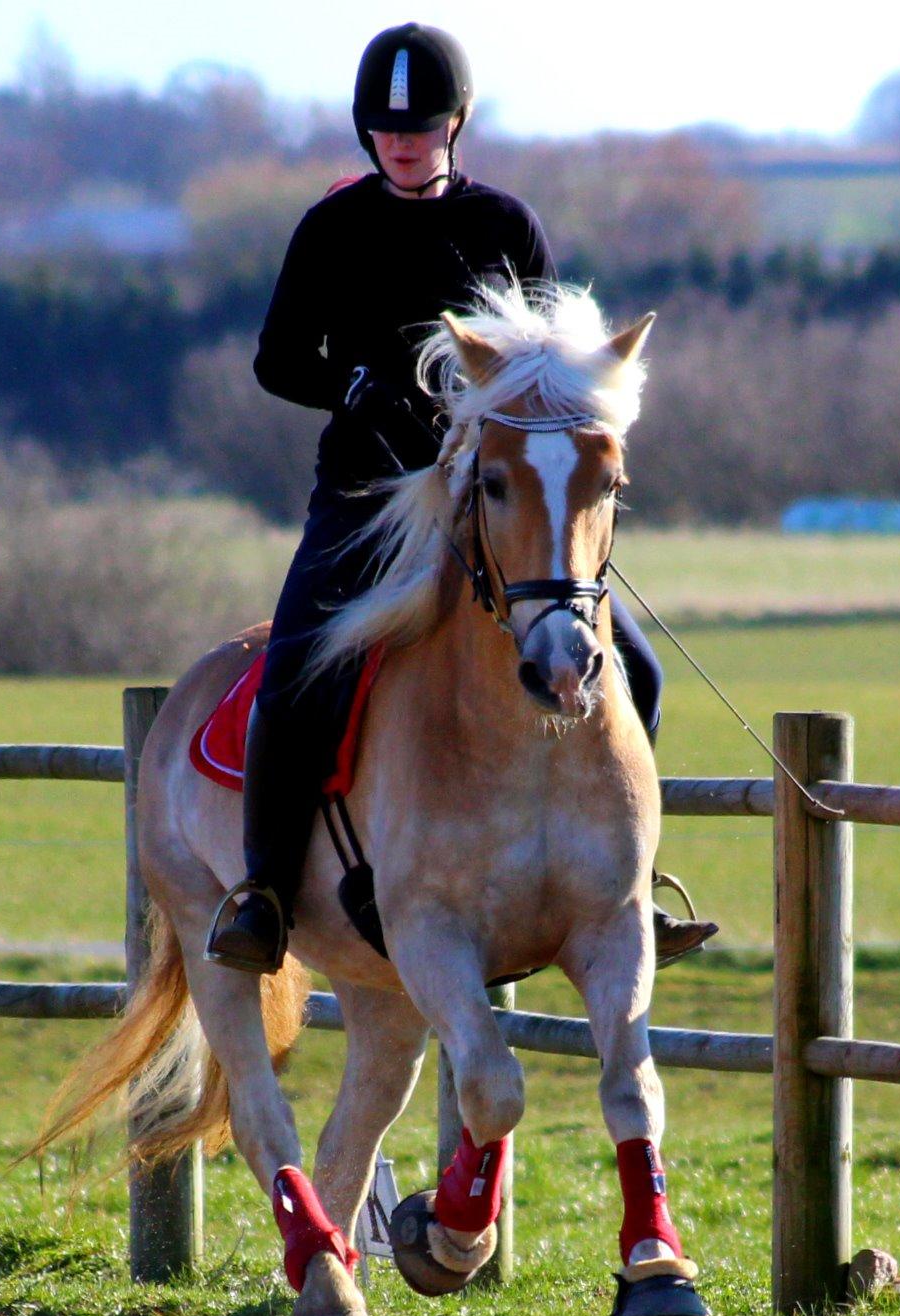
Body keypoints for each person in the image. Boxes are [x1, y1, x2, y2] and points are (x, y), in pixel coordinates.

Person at [206, 22, 717, 974]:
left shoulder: (505, 226)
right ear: (367, 135)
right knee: (295, 669)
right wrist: (349, 385)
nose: (404, 142)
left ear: (455, 126)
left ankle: (630, 882)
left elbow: (559, 369)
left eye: (423, 126)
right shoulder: (331, 227)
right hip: (367, 494)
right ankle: (264, 891)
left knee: (635, 667)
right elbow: (277, 360)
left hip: (498, 500)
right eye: (387, 130)